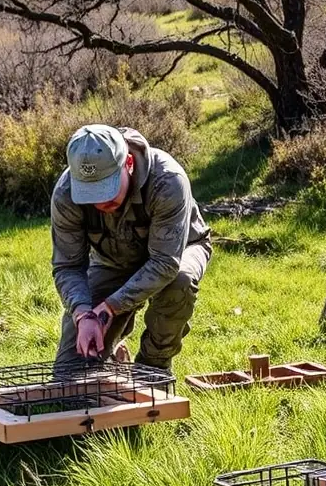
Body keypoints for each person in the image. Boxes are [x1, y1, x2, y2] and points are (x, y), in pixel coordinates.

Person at [51, 124, 211, 372]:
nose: (100, 202)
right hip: (112, 261)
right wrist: (84, 314)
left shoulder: (168, 180)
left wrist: (111, 307)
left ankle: (153, 367)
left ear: (128, 162)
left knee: (180, 280)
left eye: (107, 187)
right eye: (90, 193)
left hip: (178, 251)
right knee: (71, 371)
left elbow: (165, 263)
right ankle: (114, 359)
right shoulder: (65, 193)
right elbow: (68, 265)